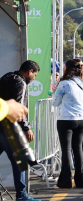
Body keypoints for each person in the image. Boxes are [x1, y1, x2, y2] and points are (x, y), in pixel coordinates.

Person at [0, 60, 40, 201]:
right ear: (29, 71)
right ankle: (22, 195)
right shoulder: (21, 83)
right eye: (34, 75)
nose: (33, 78)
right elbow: (18, 107)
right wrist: (26, 128)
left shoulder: (6, 77)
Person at [52, 59, 83, 189]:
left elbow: (55, 103)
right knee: (78, 149)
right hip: (82, 118)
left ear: (67, 68)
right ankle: (80, 181)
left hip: (66, 118)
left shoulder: (64, 84)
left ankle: (65, 182)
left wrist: (55, 93)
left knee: (66, 150)